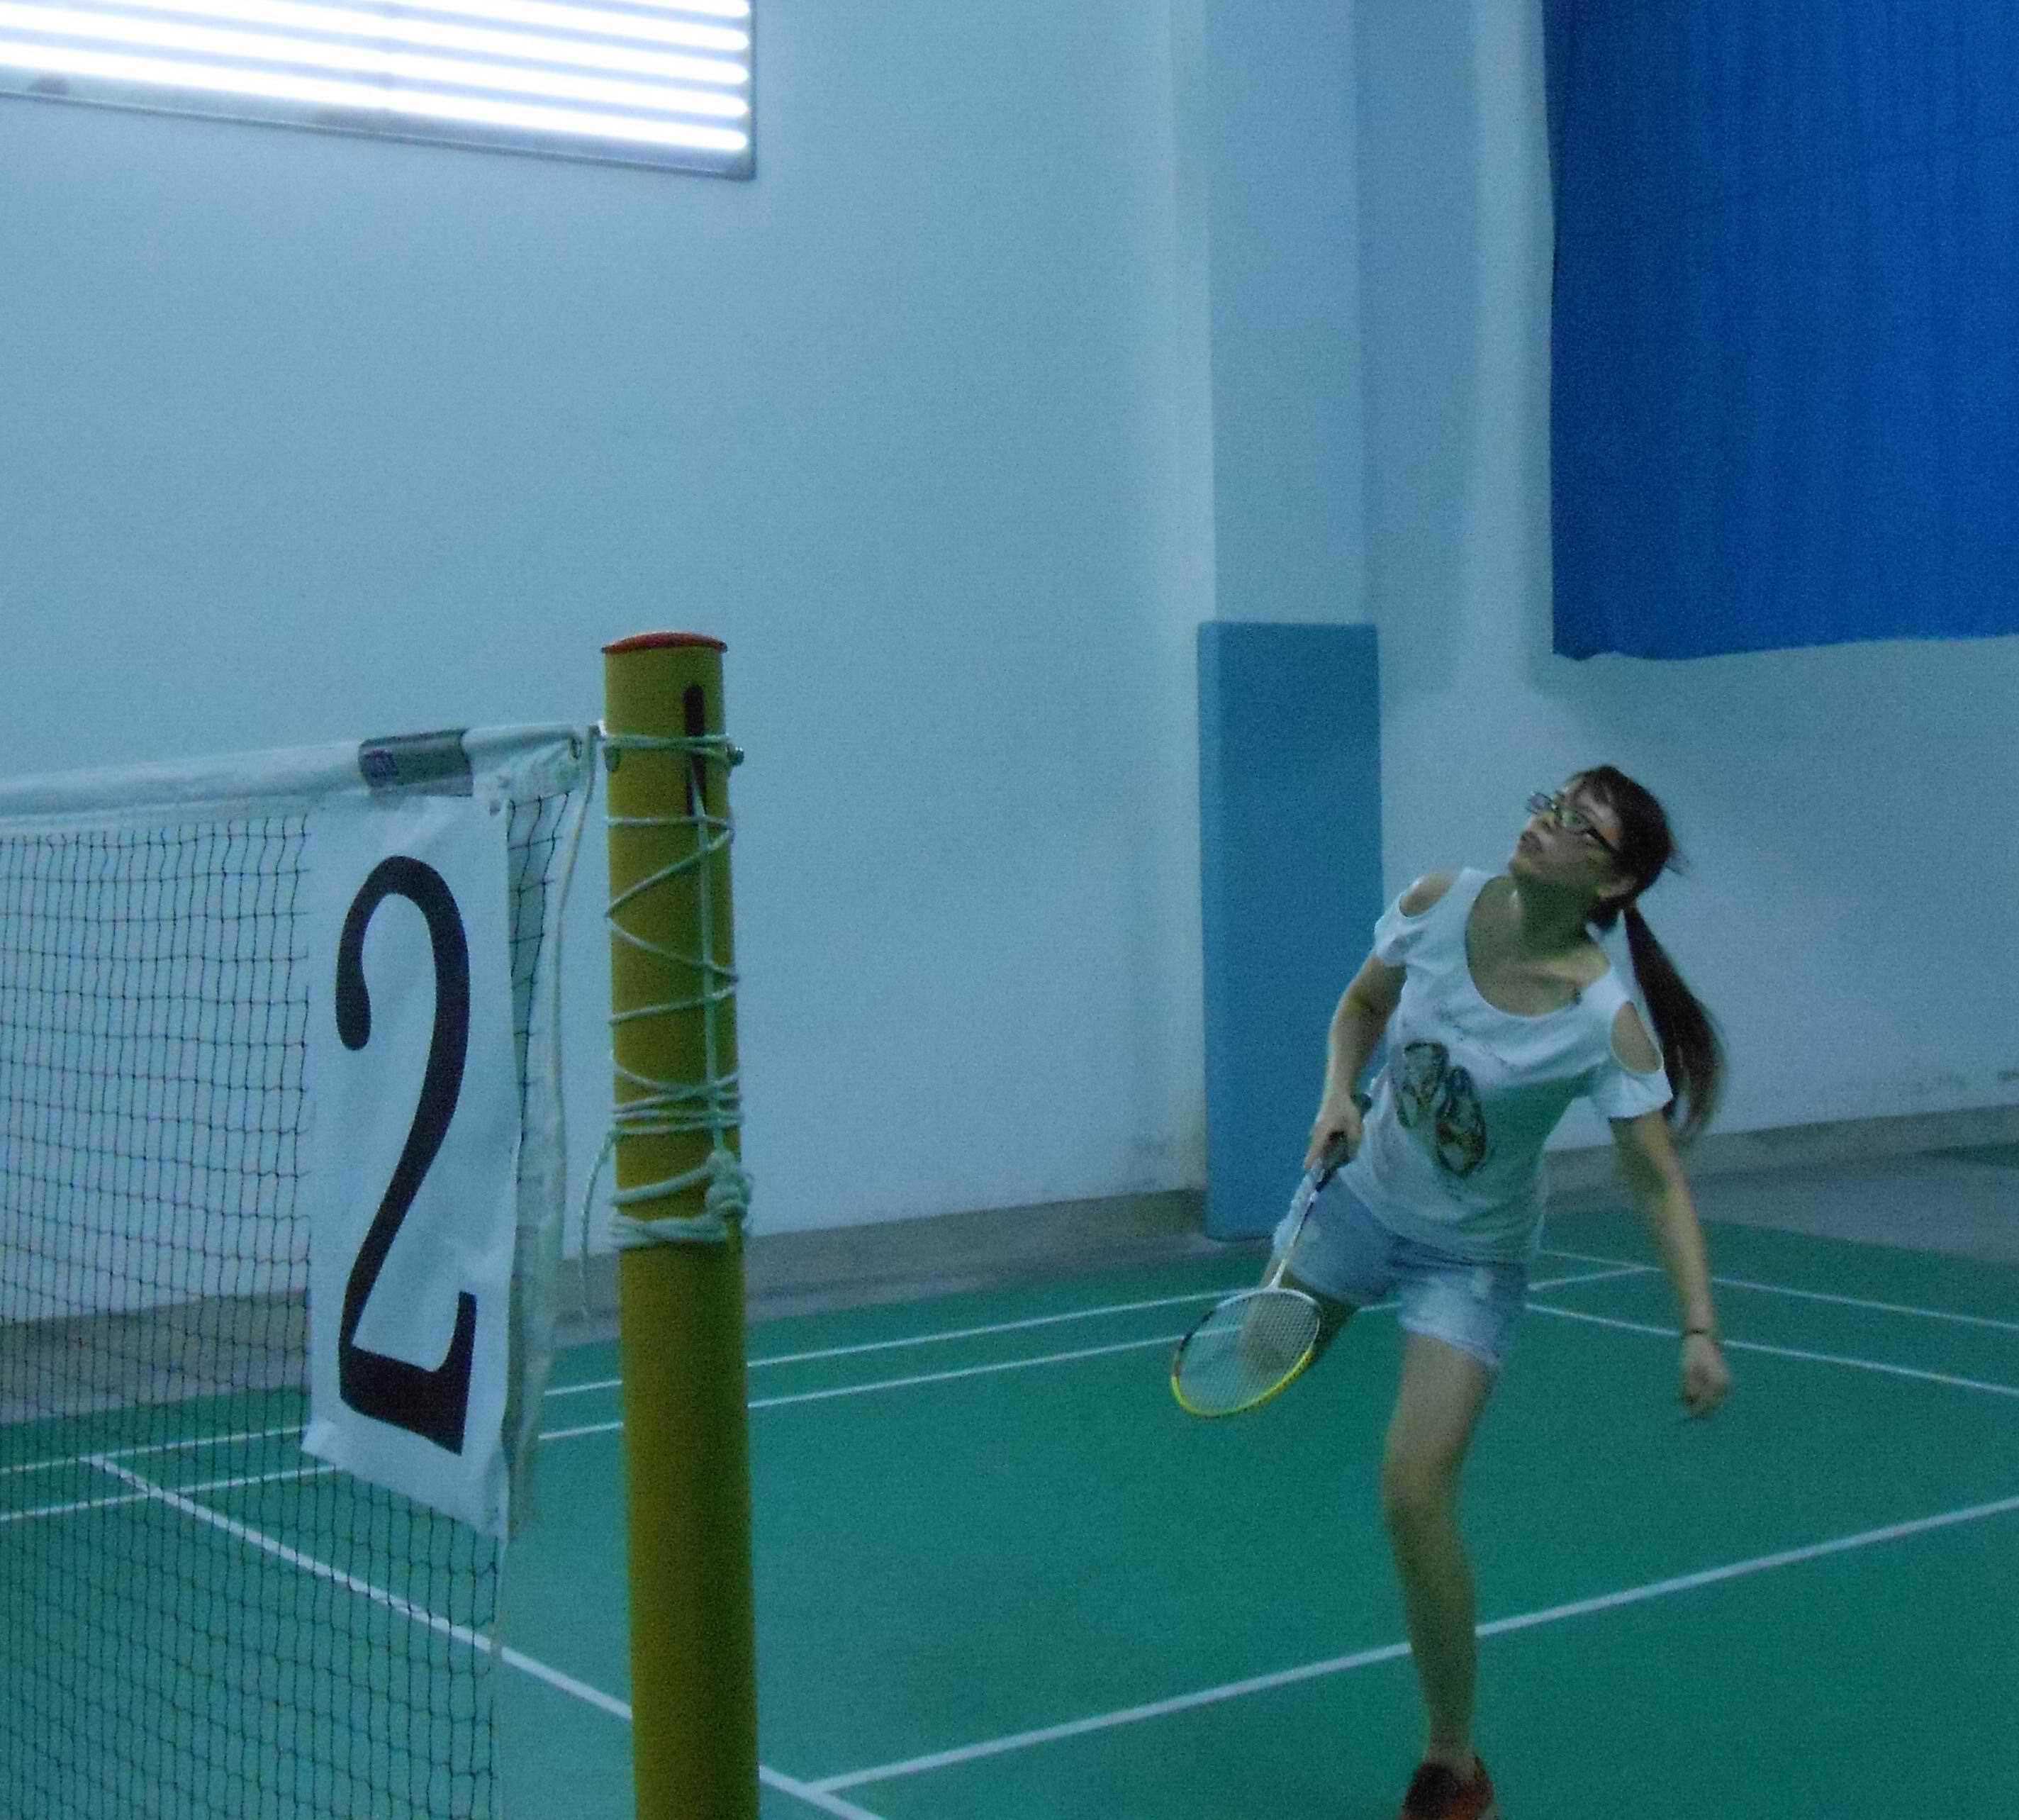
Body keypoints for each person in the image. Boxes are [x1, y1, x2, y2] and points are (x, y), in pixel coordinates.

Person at [1271, 768, 1733, 1820]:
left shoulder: (1602, 1020)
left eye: (1579, 825)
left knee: (1412, 1491)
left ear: (1610, 883)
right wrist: (1339, 1094)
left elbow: (1655, 1180)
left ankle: (1453, 1763)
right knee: (1263, 1358)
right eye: (1551, 802)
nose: (1546, 823)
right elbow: (1363, 1003)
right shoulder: (1439, 902)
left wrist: (1698, 1326)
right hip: (1357, 1204)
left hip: (1469, 1264)